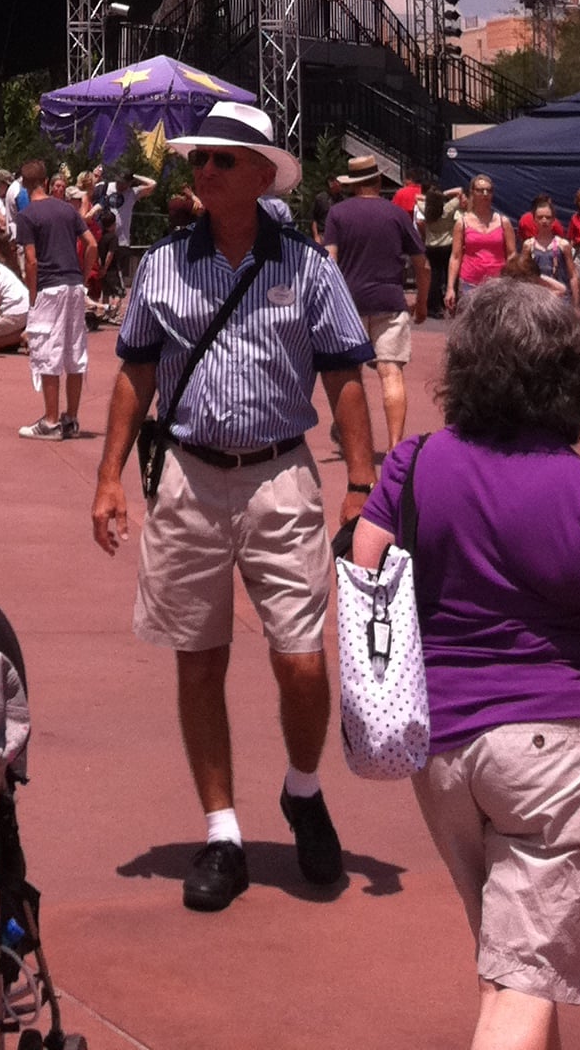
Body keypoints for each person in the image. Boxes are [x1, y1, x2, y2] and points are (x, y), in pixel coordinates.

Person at [350, 279, 580, 1049]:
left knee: (510, 967)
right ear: (569, 376)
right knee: (524, 978)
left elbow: (362, 577)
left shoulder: (412, 465)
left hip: (441, 747)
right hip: (555, 751)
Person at [90, 100, 376, 912]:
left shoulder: (307, 268)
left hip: (280, 475)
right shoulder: (163, 265)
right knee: (199, 656)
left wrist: (361, 483)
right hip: (189, 476)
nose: (205, 171)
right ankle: (221, 831)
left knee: (302, 659)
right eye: (199, 159)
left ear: (261, 175)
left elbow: (345, 375)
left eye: (222, 160)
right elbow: (136, 373)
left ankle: (303, 787)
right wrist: (109, 475)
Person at [323, 163, 429, 448]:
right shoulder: (396, 214)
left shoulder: (338, 213)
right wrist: (421, 302)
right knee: (391, 372)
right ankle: (395, 445)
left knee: (350, 373)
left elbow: (329, 261)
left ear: (351, 184)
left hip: (349, 303)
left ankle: (352, 438)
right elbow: (422, 264)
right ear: (379, 181)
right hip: (389, 300)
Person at [14, 159, 94, 438]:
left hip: (49, 287)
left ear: (24, 186)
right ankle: (71, 418)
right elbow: (92, 244)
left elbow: (31, 261)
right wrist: (83, 276)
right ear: (46, 182)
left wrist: (32, 294)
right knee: (74, 351)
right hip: (73, 284)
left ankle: (50, 421)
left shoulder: (26, 215)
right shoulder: (67, 209)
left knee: (48, 350)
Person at [446, 173, 515, 312]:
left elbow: (512, 254)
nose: (485, 194)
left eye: (488, 190)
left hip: (498, 283)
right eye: (480, 190)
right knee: (470, 323)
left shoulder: (503, 222)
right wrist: (450, 287)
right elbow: (455, 256)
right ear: (472, 192)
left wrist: (511, 280)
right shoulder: (462, 223)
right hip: (469, 283)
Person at [521, 197, 580, 303]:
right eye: (540, 217)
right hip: (536, 299)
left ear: (553, 220)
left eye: (548, 217)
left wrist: (576, 304)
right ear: (534, 219)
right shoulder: (528, 245)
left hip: (560, 299)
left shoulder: (563, 245)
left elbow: (572, 275)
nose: (544, 221)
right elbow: (524, 275)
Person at [421, 181, 461, 318]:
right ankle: (452, 302)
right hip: (447, 245)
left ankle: (433, 306)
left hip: (431, 247)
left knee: (434, 276)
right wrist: (444, 194)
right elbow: (460, 191)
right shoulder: (447, 210)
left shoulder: (425, 209)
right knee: (450, 275)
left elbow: (417, 198)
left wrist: (431, 197)